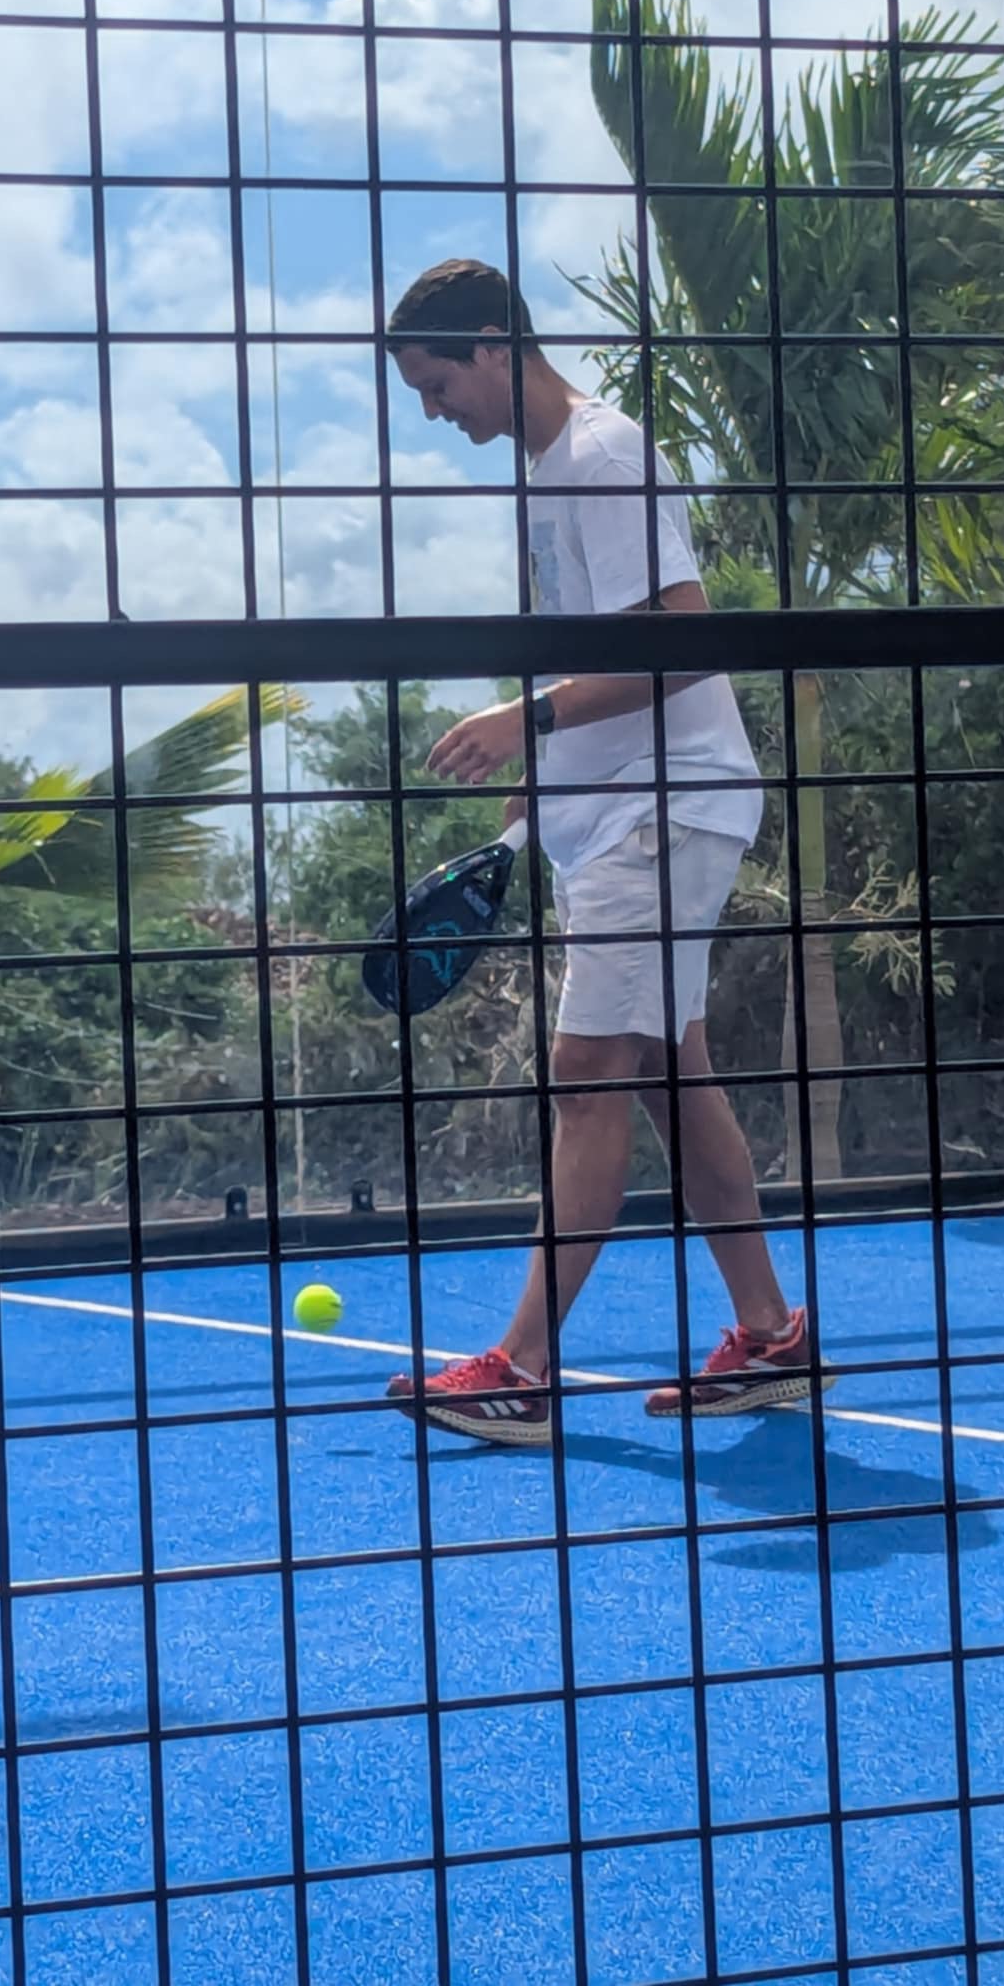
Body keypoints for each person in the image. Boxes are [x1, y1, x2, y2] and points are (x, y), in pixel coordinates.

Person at [382, 257, 832, 1445]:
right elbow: (608, 659)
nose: (434, 412)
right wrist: (544, 767)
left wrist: (523, 718)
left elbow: (685, 643)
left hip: (663, 811)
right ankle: (772, 1334)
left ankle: (523, 1370)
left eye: (436, 385)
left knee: (588, 1072)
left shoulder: (600, 453)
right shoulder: (551, 475)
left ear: (492, 344)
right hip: (626, 810)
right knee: (673, 1075)